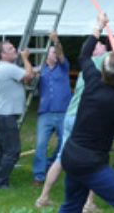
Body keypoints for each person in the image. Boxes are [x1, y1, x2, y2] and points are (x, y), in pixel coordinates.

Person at [35, 16, 114, 210]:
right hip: (89, 164)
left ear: (103, 67)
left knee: (72, 206)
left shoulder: (92, 79)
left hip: (70, 156)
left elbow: (84, 55)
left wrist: (98, 26)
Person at [0, 39, 34, 189]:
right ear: (2, 54)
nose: (15, 49)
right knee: (13, 150)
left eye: (13, 47)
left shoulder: (4, 67)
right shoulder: (8, 68)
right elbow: (29, 76)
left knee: (1, 148)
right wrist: (26, 58)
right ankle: (0, 182)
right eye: (10, 49)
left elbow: (23, 79)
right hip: (5, 115)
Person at [33, 30, 72, 186]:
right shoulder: (40, 70)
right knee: (41, 144)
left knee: (65, 144)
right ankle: (39, 176)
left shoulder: (63, 67)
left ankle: (50, 164)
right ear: (46, 55)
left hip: (64, 112)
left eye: (56, 52)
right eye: (52, 53)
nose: (55, 55)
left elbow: (61, 55)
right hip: (45, 113)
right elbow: (28, 80)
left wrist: (56, 41)